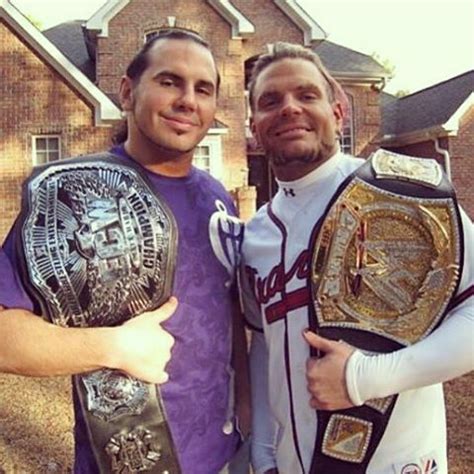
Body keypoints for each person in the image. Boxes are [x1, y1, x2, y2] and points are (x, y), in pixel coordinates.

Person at [0, 30, 249, 474]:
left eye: (203, 89)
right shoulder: (71, 194)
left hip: (224, 458)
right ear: (128, 92)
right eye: (170, 81)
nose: (188, 100)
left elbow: (228, 321)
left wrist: (249, 414)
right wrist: (110, 346)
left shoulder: (218, 199)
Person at [240, 42, 473, 474]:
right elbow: (264, 347)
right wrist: (263, 449)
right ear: (254, 126)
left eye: (306, 95)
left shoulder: (403, 192)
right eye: (270, 101)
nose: (289, 108)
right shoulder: (254, 236)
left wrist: (365, 377)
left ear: (339, 112)